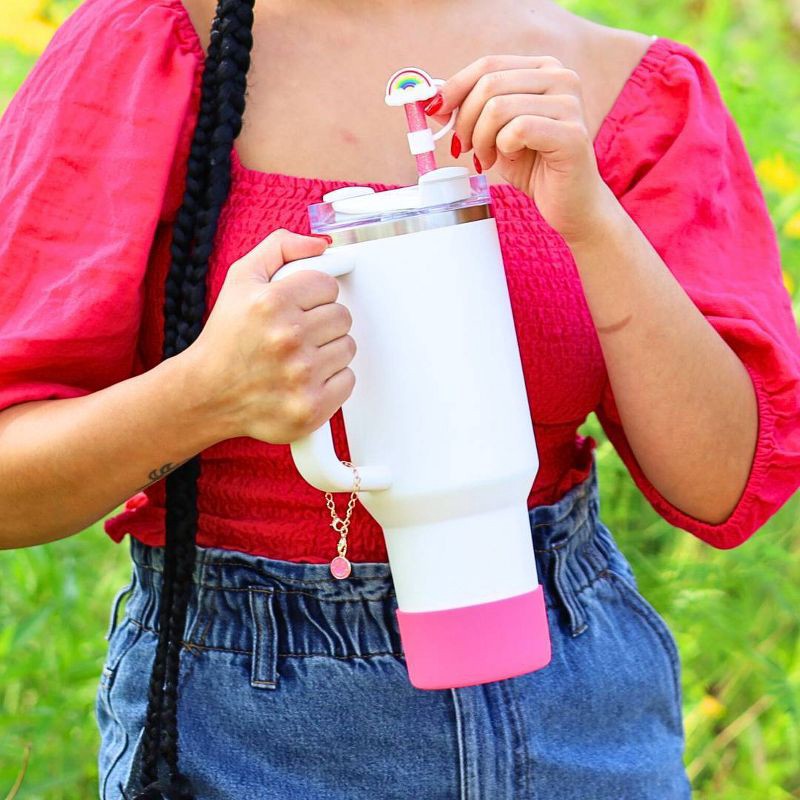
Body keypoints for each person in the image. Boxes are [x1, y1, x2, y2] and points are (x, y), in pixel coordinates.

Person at [1, 0, 799, 797]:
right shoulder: (154, 45)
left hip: (581, 712)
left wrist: (593, 223)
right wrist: (208, 394)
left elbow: (722, 489)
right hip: (251, 724)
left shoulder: (624, 84)